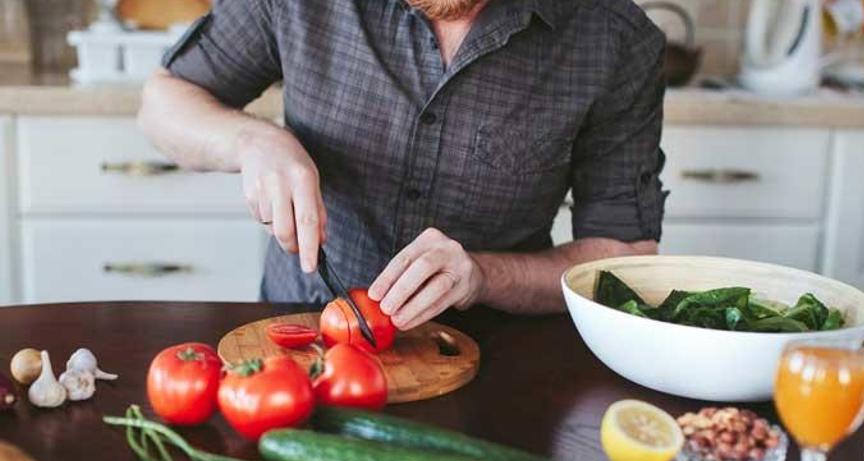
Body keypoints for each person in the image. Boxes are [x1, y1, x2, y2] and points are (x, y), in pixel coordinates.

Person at [139, 0, 667, 331]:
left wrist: (483, 276)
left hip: (493, 357)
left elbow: (623, 258)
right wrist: (251, 140)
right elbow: (165, 101)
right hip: (298, 337)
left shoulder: (614, 37)